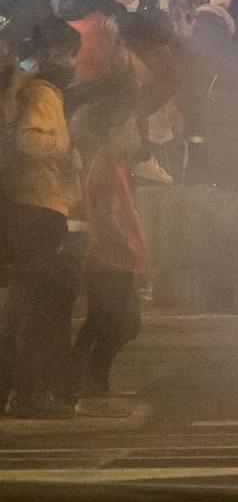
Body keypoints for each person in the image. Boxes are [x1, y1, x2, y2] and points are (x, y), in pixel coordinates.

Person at [0, 16, 82, 418]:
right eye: (69, 54)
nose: (73, 63)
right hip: (37, 206)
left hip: (33, 205)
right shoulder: (43, 93)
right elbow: (29, 140)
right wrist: (63, 149)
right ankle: (30, 393)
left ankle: (21, 390)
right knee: (39, 304)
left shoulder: (27, 88)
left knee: (26, 303)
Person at [69, 101, 147, 406]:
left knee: (106, 322)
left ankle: (88, 380)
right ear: (114, 133)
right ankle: (82, 379)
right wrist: (128, 245)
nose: (136, 136)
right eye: (131, 130)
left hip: (118, 258)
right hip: (108, 260)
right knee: (118, 322)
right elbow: (106, 218)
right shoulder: (104, 168)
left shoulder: (117, 166)